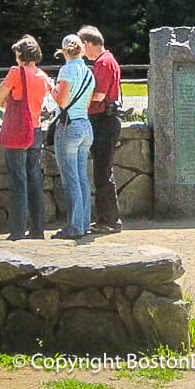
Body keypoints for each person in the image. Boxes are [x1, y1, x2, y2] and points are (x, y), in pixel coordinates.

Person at [0, 34, 52, 241]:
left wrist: (12, 107)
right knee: (35, 180)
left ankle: (17, 231)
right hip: (36, 131)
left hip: (18, 131)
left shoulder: (16, 73)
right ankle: (38, 230)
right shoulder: (43, 76)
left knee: (18, 181)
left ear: (21, 55)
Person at [78, 25, 123, 234]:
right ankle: (107, 219)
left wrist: (78, 104)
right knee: (104, 172)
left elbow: (99, 94)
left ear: (88, 44)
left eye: (82, 46)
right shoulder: (109, 59)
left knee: (102, 174)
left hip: (103, 122)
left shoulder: (103, 62)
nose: (82, 51)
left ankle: (109, 221)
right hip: (107, 121)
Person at [50, 34, 95, 240]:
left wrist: (51, 88)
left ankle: (74, 226)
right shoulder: (88, 73)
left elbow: (62, 101)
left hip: (70, 127)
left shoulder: (66, 70)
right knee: (82, 177)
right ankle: (84, 223)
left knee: (71, 179)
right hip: (86, 126)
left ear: (64, 52)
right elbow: (85, 105)